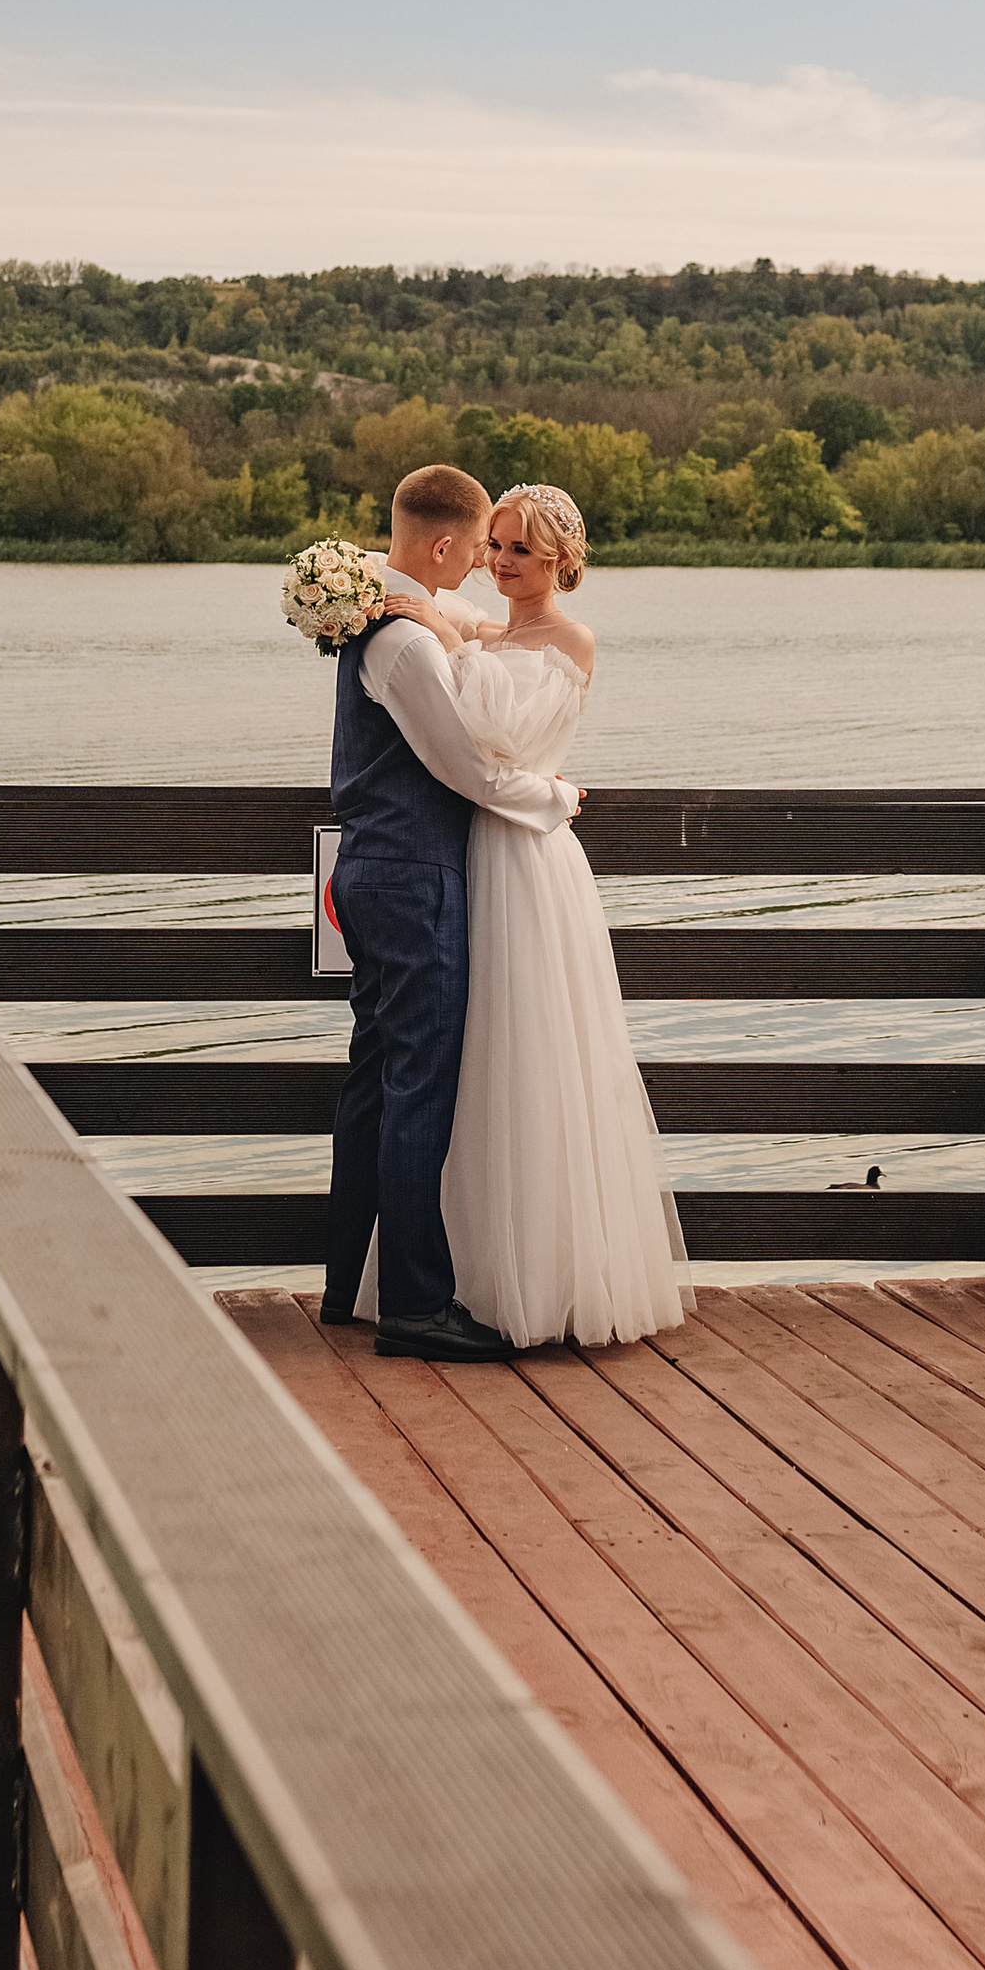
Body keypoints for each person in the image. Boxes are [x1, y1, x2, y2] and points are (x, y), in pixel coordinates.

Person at [379, 484, 685, 1351]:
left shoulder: (570, 639)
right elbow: (445, 610)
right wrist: (441, 616)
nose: (499, 561)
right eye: (495, 545)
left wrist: (444, 632)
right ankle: (469, 1269)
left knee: (534, 1043)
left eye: (518, 549)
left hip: (528, 855)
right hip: (475, 850)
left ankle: (545, 1278)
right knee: (472, 1054)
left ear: (559, 561)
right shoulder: (494, 627)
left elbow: (491, 733)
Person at [320, 463, 582, 1363]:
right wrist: (552, 798)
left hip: (375, 870)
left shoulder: (380, 613)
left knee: (374, 1079)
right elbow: (464, 773)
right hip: (413, 876)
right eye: (478, 548)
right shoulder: (404, 644)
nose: (483, 564)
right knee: (416, 1087)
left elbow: (478, 635)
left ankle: (345, 1283)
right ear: (442, 546)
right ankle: (416, 1306)